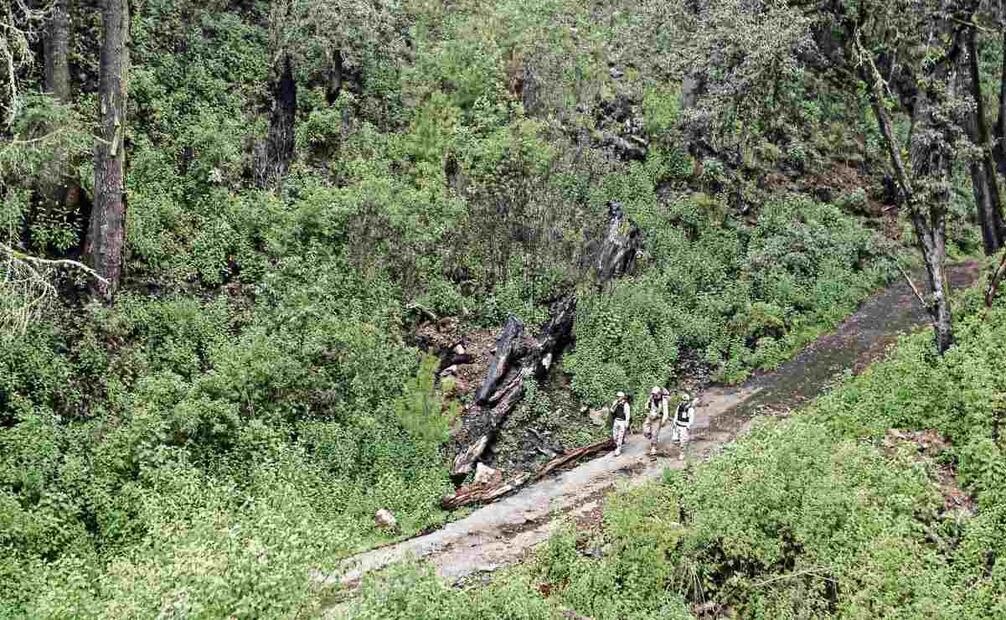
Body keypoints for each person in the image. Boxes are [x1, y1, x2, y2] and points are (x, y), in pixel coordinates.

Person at [643, 386, 669, 455]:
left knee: (655, 433)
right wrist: (646, 408)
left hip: (658, 418)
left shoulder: (663, 400)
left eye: (656, 394)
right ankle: (651, 436)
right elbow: (647, 404)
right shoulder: (651, 397)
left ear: (659, 393)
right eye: (653, 394)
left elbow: (666, 411)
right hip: (650, 416)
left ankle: (653, 447)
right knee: (645, 430)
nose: (654, 396)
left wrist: (664, 420)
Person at [671, 392, 697, 460]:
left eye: (685, 400)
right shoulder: (679, 406)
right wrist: (674, 422)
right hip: (677, 425)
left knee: (683, 441)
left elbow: (691, 419)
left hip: (684, 427)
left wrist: (688, 426)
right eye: (683, 400)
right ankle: (683, 448)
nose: (684, 401)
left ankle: (682, 453)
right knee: (675, 440)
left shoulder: (690, 409)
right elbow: (676, 414)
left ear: (688, 401)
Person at [610, 391, 631, 456]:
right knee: (615, 435)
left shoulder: (626, 404)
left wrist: (627, 422)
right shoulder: (615, 402)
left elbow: (627, 414)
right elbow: (612, 410)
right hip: (616, 420)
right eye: (617, 396)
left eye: (619, 396)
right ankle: (618, 444)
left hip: (622, 421)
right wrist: (615, 404)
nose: (618, 398)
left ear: (622, 397)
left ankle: (618, 448)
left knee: (620, 435)